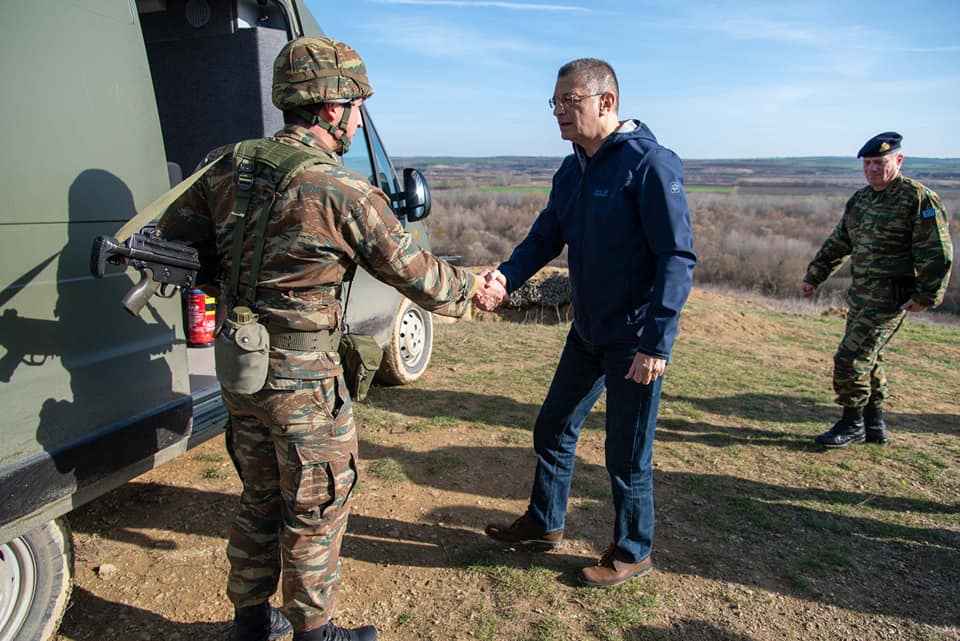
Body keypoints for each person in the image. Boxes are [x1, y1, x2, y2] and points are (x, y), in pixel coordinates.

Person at [158, 36, 500, 641]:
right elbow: (422, 279)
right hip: (304, 382)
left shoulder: (226, 165)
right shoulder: (342, 190)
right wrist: (476, 286)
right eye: (357, 107)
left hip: (241, 368)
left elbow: (176, 240)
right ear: (331, 107)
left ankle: (250, 623)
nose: (358, 120)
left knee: (259, 496)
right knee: (316, 506)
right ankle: (315, 634)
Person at [478, 58, 696, 588]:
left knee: (626, 454)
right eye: (554, 102)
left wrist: (656, 342)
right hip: (588, 332)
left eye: (569, 101)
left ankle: (633, 550)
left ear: (606, 102)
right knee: (553, 427)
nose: (559, 111)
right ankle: (544, 523)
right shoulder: (572, 168)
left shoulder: (650, 165)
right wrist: (507, 276)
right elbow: (546, 234)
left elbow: (676, 257)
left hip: (635, 340)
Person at [802, 132, 953, 448]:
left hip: (892, 297)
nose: (872, 169)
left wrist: (927, 296)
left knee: (851, 357)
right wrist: (815, 275)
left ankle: (852, 423)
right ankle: (873, 424)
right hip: (861, 295)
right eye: (867, 163)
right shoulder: (861, 200)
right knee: (870, 358)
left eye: (879, 162)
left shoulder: (918, 199)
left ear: (899, 160)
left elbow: (937, 253)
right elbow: (839, 242)